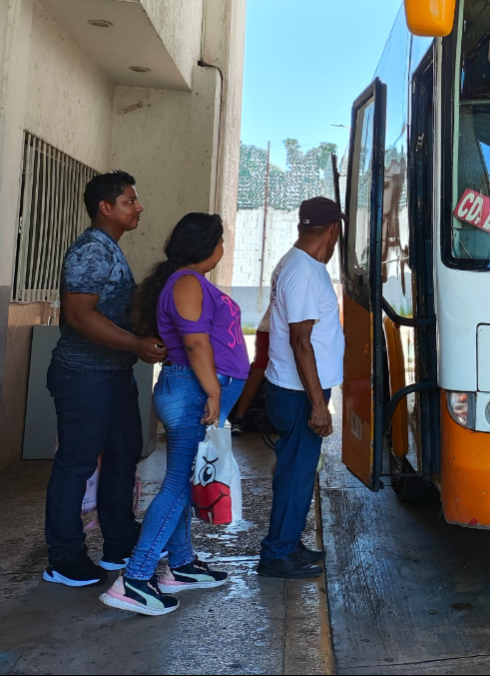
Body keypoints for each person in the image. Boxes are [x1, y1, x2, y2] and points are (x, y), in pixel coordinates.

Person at [100, 213, 249, 615]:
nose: (222, 249)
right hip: (192, 390)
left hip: (192, 389)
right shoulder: (185, 282)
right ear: (206, 245)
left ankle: (180, 564)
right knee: (178, 485)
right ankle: (135, 579)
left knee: (182, 479)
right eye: (220, 241)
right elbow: (196, 343)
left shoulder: (189, 281)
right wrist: (214, 391)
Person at [43, 171, 166, 588]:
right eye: (131, 200)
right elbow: (80, 315)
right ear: (106, 207)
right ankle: (64, 558)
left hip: (112, 375)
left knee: (124, 453)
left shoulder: (109, 249)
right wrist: (134, 343)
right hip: (83, 376)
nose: (139, 207)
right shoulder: (91, 250)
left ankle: (119, 542)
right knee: (75, 465)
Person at [257, 197, 345, 580]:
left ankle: (288, 543)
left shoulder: (298, 265)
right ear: (333, 231)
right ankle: (277, 555)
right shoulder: (304, 272)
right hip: (297, 394)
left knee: (296, 472)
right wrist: (318, 406)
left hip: (296, 390)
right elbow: (301, 342)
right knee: (295, 474)